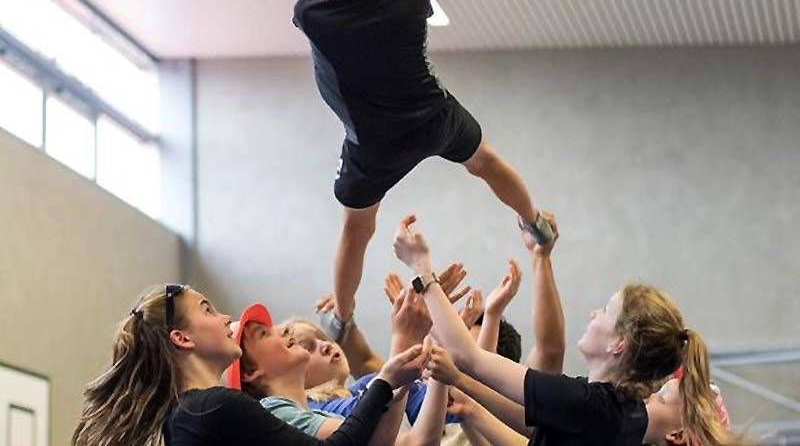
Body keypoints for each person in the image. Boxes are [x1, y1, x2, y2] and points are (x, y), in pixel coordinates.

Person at [293, 0, 553, 341]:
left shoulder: (313, 12)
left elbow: (312, 8)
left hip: (372, 143)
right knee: (486, 162)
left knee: (356, 230)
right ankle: (536, 222)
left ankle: (341, 317)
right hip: (433, 117)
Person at [393, 215, 749, 446]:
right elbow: (539, 426)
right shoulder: (619, 412)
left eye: (607, 311)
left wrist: (421, 268)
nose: (594, 313)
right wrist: (465, 386)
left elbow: (468, 355)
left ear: (619, 344)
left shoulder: (598, 406)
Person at [71, 284, 429, 446]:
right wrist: (384, 381)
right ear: (182, 338)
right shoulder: (211, 407)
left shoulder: (195, 412)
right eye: (208, 310)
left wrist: (392, 382)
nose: (225, 317)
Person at [228, 290, 447, 445]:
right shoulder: (272, 411)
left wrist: (440, 356)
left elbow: (418, 442)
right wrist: (403, 340)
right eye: (264, 333)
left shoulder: (316, 414)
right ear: (250, 372)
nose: (283, 331)